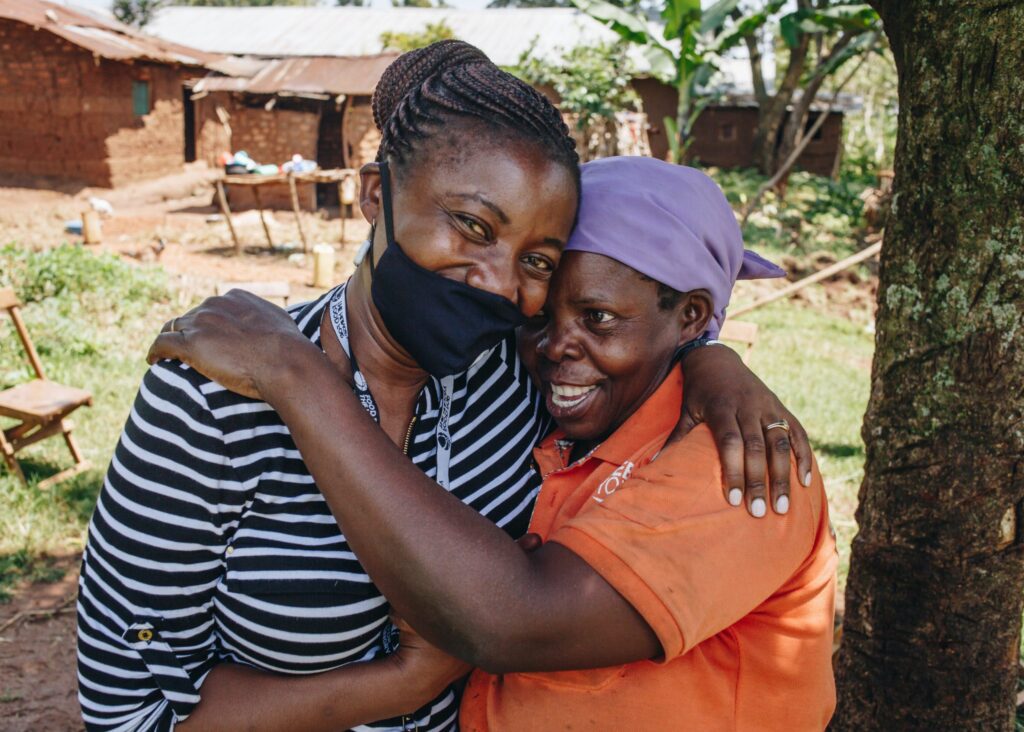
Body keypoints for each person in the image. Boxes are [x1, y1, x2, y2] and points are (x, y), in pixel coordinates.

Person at [80, 42, 810, 732]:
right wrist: (401, 683)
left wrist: (716, 365)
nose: (498, 284)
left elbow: (632, 351)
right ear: (376, 195)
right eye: (472, 226)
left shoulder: (514, 381)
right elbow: (128, 709)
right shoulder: (214, 404)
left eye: (536, 261)